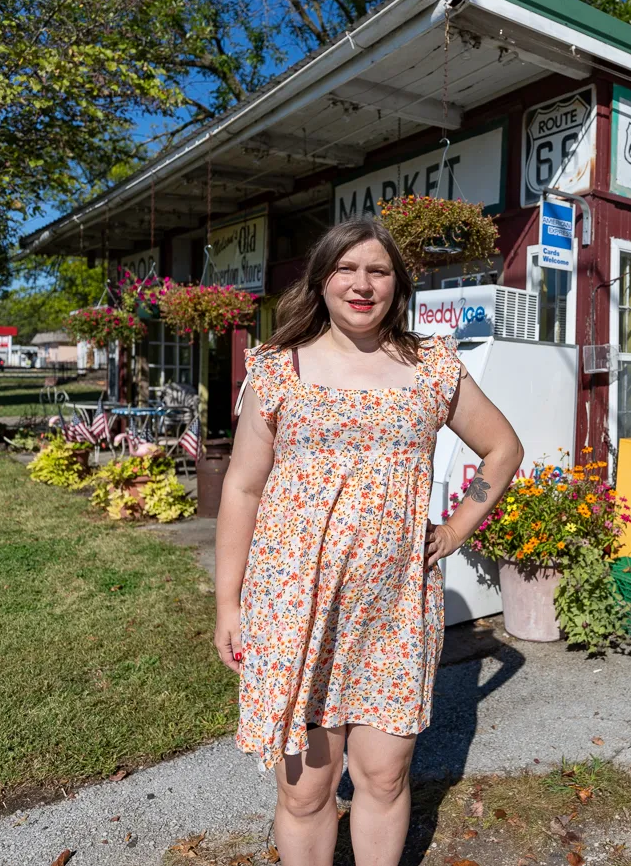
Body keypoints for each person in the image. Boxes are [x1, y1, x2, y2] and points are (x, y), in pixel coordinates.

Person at [213, 217, 523, 866]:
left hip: (393, 613)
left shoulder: (432, 366)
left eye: (377, 270)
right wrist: (228, 602)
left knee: (384, 777)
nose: (362, 283)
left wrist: (457, 527)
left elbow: (502, 448)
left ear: (397, 284)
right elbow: (241, 489)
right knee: (307, 790)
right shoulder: (277, 369)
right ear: (322, 279)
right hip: (295, 610)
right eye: (346, 268)